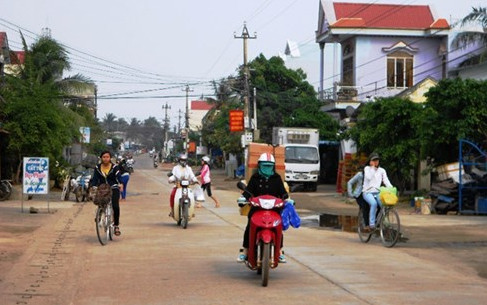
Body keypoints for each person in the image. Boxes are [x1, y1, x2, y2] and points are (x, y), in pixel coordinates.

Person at [237, 152, 289, 263]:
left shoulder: (277, 178)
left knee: (278, 227)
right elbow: (248, 192)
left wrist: (287, 199)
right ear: (259, 166)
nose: (267, 168)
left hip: (274, 210)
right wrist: (243, 198)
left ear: (273, 167)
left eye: (269, 166)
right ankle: (245, 251)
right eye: (264, 165)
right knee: (249, 226)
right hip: (257, 209)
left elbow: (283, 193)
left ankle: (279, 251)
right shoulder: (255, 178)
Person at [91, 150, 124, 236]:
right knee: (100, 201)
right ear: (101, 158)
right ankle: (99, 214)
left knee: (115, 206)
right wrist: (93, 186)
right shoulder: (97, 168)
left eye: (107, 157)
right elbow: (95, 178)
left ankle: (116, 225)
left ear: (110, 158)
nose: (106, 159)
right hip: (103, 188)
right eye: (104, 157)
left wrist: (120, 184)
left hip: (114, 188)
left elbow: (118, 176)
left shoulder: (114, 167)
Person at [362, 153, 393, 232]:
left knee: (384, 204)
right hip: (367, 192)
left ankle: (381, 220)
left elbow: (386, 180)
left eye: (377, 160)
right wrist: (372, 167)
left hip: (377, 192)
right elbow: (369, 177)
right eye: (374, 160)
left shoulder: (382, 170)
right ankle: (371, 224)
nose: (376, 162)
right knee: (374, 203)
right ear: (370, 161)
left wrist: (391, 188)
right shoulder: (367, 169)